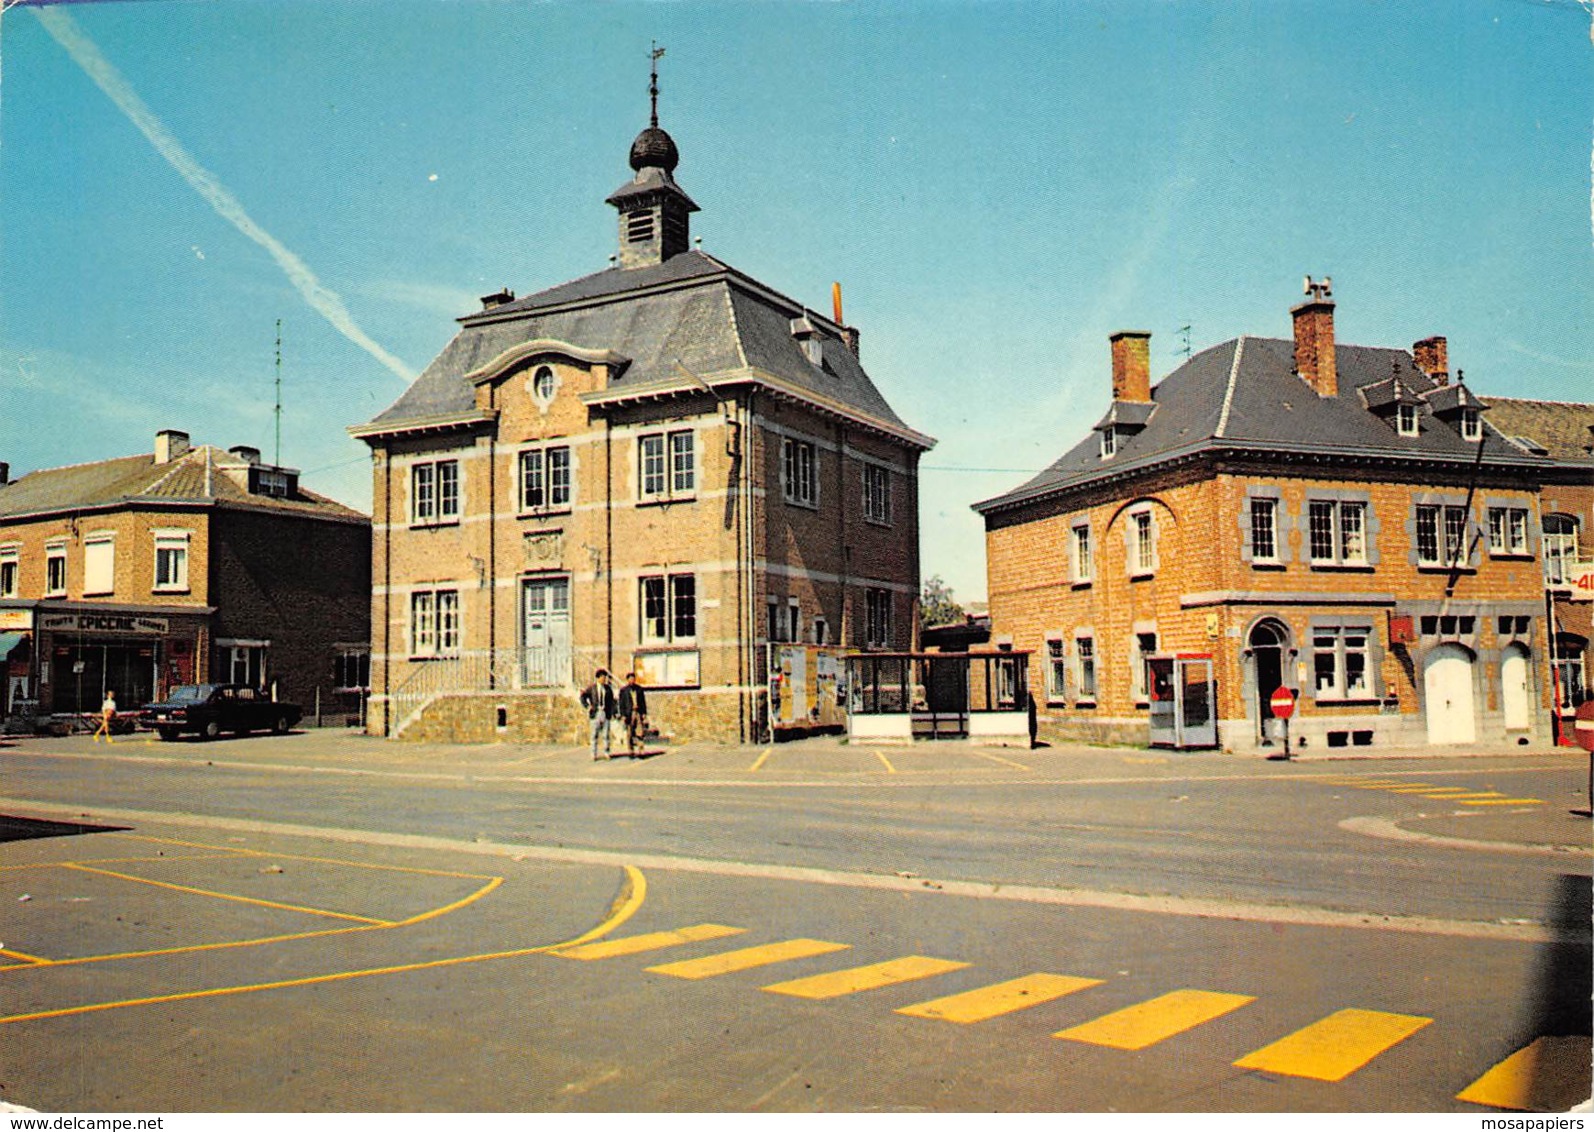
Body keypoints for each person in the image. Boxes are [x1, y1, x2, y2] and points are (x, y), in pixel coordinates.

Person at [579, 668, 617, 760]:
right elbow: (583, 696)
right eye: (602, 677)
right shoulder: (592, 688)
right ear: (598, 678)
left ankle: (606, 752)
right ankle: (593, 754)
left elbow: (612, 701)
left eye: (605, 677)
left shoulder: (608, 689)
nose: (604, 679)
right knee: (594, 735)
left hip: (605, 712)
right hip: (595, 713)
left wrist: (613, 712)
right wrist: (588, 706)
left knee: (605, 734)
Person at [617, 672, 649, 755]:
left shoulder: (639, 689)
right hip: (629, 713)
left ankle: (641, 749)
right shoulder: (623, 690)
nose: (632, 680)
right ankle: (630, 750)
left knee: (640, 731)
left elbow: (643, 702)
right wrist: (623, 715)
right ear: (627, 680)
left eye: (633, 679)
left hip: (638, 712)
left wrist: (644, 713)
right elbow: (621, 704)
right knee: (629, 732)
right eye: (630, 679)